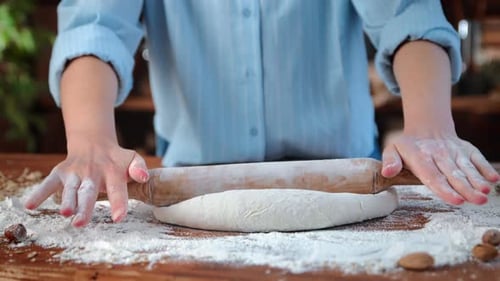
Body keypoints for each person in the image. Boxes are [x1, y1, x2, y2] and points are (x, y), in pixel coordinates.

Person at [25, 0, 499, 227]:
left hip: (348, 182)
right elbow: (97, 27)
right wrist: (89, 136)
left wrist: (430, 123)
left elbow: (409, 15)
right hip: (188, 191)